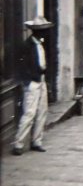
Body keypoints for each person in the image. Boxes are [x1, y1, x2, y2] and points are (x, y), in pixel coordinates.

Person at [12, 16, 54, 155]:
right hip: (32, 82)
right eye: (42, 31)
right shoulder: (27, 46)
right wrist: (28, 81)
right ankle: (18, 143)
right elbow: (21, 66)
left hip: (41, 80)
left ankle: (36, 140)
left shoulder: (41, 44)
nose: (44, 33)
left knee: (42, 111)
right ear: (35, 32)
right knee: (29, 113)